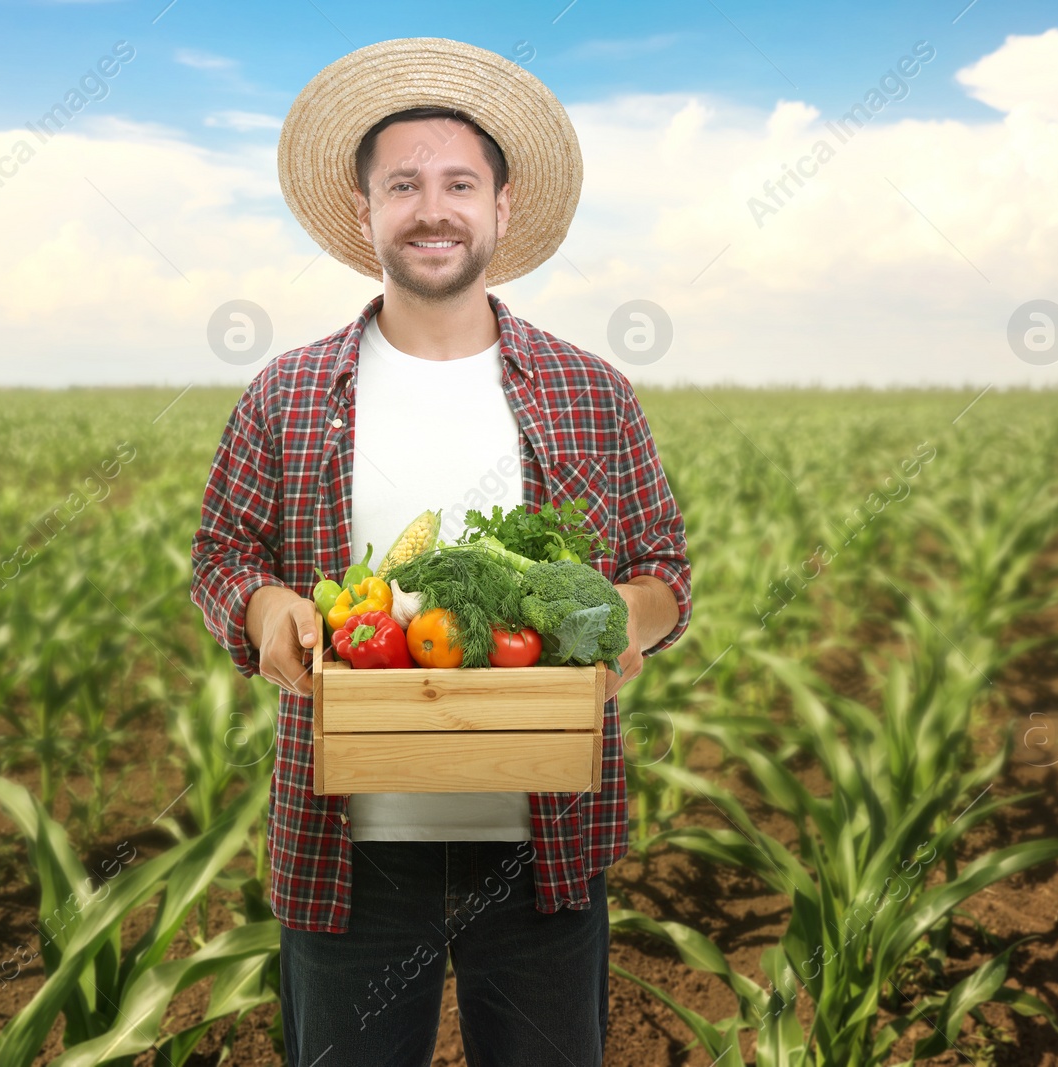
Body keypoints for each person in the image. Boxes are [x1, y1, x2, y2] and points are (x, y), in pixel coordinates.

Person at [189, 37, 692, 1067]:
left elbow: (664, 572)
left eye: (459, 182)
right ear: (363, 211)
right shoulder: (290, 394)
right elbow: (220, 552)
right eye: (403, 184)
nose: (432, 208)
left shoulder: (590, 392)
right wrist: (265, 607)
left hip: (543, 842)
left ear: (501, 208)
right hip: (349, 848)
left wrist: (615, 623)